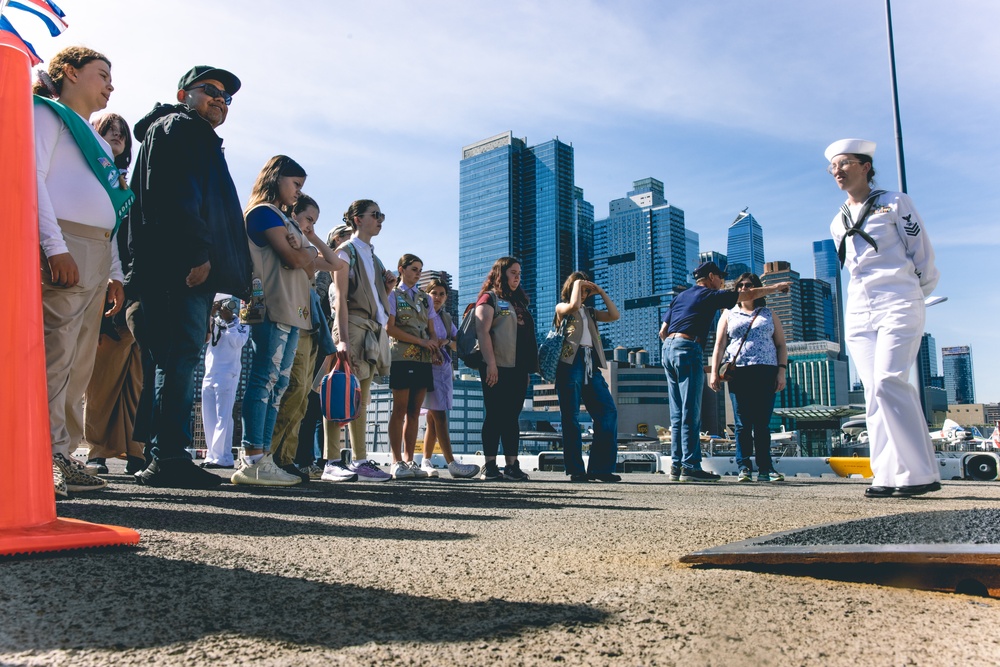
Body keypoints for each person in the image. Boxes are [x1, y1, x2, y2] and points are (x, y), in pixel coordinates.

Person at [128, 65, 252, 489]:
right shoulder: (180, 128)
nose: (220, 98)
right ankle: (168, 459)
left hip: (175, 266)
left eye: (226, 96)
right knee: (179, 361)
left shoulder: (187, 133)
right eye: (210, 90)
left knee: (176, 362)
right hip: (178, 266)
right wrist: (199, 254)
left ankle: (167, 456)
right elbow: (179, 196)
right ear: (184, 94)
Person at [34, 47, 134, 497]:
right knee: (55, 354)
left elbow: (109, 209)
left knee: (79, 362)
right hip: (65, 243)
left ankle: (65, 451)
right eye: (102, 75)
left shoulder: (93, 140)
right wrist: (54, 246)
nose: (110, 85)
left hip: (96, 249)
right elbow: (31, 179)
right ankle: (42, 458)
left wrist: (113, 270)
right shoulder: (47, 115)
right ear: (69, 74)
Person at [825, 138, 941, 498]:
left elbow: (922, 255)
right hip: (859, 311)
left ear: (865, 166)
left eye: (844, 164)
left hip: (899, 301)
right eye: (832, 167)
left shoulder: (894, 203)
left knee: (891, 380)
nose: (837, 172)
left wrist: (910, 295)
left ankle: (919, 473)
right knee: (873, 392)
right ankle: (887, 474)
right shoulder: (837, 221)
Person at [233, 157, 344, 487]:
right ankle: (252, 458)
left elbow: (310, 262)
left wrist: (304, 252)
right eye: (295, 184)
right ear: (276, 178)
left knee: (279, 384)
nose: (298, 192)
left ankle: (263, 458)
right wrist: (303, 253)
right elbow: (296, 258)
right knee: (265, 379)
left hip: (293, 309)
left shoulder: (284, 219)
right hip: (273, 305)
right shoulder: (263, 212)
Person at [659, 262, 789, 483]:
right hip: (688, 347)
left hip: (668, 350)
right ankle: (690, 467)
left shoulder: (681, 296)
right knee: (691, 411)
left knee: (677, 413)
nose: (722, 282)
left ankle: (676, 465)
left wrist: (675, 345)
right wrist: (776, 288)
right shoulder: (709, 294)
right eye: (720, 277)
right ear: (711, 276)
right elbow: (746, 296)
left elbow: (663, 331)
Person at [269, 195, 349, 482]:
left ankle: (287, 458)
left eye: (315, 221)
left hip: (309, 323)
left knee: (302, 394)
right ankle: (274, 455)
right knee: (289, 389)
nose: (310, 225)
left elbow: (335, 263)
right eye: (308, 219)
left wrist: (312, 235)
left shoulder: (306, 248)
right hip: (290, 316)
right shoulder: (285, 243)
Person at [83, 112, 145, 477]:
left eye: (121, 132)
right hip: (104, 281)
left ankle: (136, 450)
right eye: (109, 129)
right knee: (102, 377)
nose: (117, 135)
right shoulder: (91, 178)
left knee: (135, 375)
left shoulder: (130, 186)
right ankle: (97, 450)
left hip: (135, 287)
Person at [322, 200, 397, 482]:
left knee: (360, 400)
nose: (380, 220)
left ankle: (359, 460)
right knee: (340, 391)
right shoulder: (345, 252)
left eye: (381, 214)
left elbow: (377, 301)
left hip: (371, 330)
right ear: (357, 219)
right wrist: (340, 338)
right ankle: (331, 461)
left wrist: (387, 288)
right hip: (352, 327)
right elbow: (340, 296)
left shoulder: (372, 256)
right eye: (375, 215)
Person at [708, 273, 788, 483]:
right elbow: (719, 345)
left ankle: (766, 468)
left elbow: (781, 345)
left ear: (757, 288)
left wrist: (781, 371)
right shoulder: (728, 313)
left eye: (749, 285)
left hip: (766, 370)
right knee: (742, 423)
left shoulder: (768, 314)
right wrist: (714, 372)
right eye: (740, 285)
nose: (744, 288)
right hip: (739, 372)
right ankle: (744, 467)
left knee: (762, 424)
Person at [296, 224, 354, 479]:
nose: (349, 240)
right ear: (334, 240)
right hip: (321, 340)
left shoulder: (349, 267)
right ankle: (303, 458)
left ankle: (321, 458)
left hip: (332, 342)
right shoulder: (324, 267)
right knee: (310, 400)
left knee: (324, 401)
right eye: (344, 235)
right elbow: (318, 302)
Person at [554, 272, 621, 483]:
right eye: (581, 289)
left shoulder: (590, 312)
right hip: (569, 363)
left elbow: (614, 315)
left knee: (607, 412)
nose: (583, 293)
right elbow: (573, 305)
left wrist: (600, 291)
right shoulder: (561, 308)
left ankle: (601, 469)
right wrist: (578, 283)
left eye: (585, 290)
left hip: (591, 362)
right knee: (571, 418)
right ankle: (576, 470)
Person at [475, 257, 536, 481]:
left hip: (517, 368)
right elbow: (482, 331)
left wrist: (527, 371)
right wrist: (491, 363)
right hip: (495, 365)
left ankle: (512, 465)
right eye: (512, 272)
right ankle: (490, 465)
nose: (517, 276)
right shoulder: (489, 298)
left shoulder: (518, 302)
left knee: (512, 417)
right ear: (501, 273)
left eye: (519, 272)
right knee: (494, 415)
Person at [420, 278, 481, 479]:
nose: (437, 297)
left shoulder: (445, 318)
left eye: (441, 294)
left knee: (432, 418)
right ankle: (451, 462)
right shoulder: (421, 313)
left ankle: (426, 461)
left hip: (443, 370)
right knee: (439, 416)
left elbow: (458, 343)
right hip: (425, 367)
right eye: (434, 293)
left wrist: (445, 341)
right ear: (427, 294)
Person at [386, 254, 438, 479]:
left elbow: (431, 327)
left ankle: (409, 460)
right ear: (401, 270)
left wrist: (435, 346)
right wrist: (421, 341)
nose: (417, 273)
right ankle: (396, 461)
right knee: (399, 409)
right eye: (414, 269)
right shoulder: (393, 296)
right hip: (401, 357)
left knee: (415, 412)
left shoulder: (425, 298)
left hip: (423, 359)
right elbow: (390, 329)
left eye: (420, 270)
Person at [200, 295, 249, 469]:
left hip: (228, 374)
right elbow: (204, 338)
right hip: (210, 373)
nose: (225, 307)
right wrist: (209, 313)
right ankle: (212, 455)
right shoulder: (213, 321)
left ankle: (224, 457)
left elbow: (238, 342)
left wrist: (229, 322)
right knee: (209, 417)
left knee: (224, 417)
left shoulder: (242, 323)